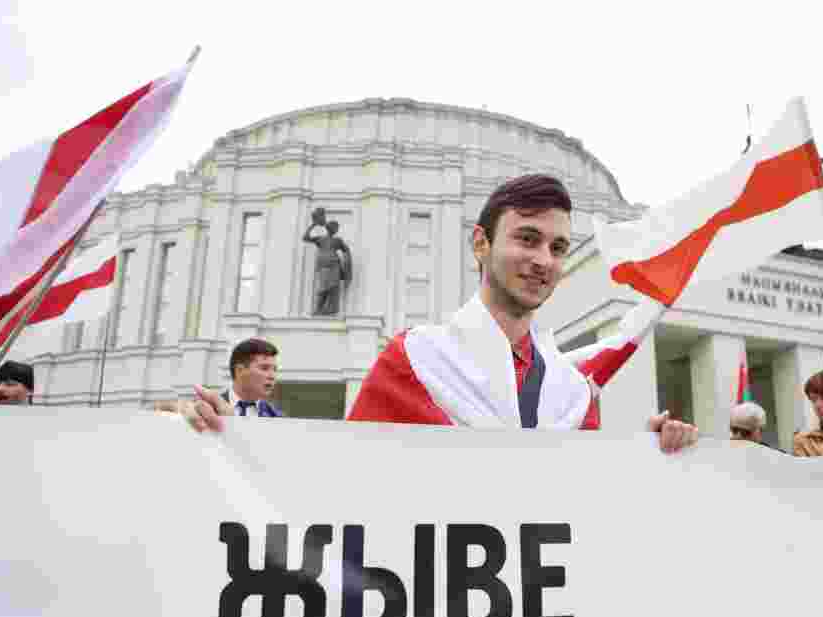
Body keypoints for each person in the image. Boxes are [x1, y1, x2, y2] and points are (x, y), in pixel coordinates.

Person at [178, 174, 697, 453]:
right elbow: (340, 484)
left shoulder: (572, 394)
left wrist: (649, 458)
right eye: (527, 238)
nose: (544, 260)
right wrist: (239, 443)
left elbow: (589, 509)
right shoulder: (416, 360)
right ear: (481, 244)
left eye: (558, 247)